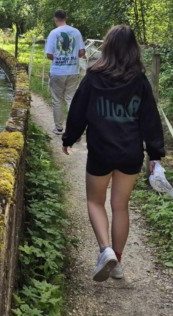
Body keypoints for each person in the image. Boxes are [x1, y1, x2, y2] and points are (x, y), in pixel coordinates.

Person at [62, 25, 165, 281]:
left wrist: (69, 137)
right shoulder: (140, 82)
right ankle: (116, 261)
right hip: (130, 153)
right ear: (133, 49)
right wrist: (155, 155)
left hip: (101, 151)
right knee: (120, 206)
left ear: (106, 46)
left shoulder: (94, 77)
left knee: (95, 202)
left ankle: (105, 250)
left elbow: (78, 110)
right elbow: (150, 120)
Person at [45, 9, 86, 135]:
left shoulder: (53, 33)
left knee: (57, 100)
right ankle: (75, 130)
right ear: (66, 17)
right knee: (71, 100)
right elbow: (82, 53)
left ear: (55, 18)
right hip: (73, 71)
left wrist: (59, 58)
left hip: (58, 71)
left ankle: (58, 128)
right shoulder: (76, 32)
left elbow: (49, 55)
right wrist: (71, 56)